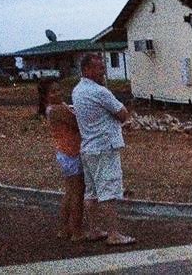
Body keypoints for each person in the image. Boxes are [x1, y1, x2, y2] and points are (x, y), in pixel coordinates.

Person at [72, 53, 135, 246]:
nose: (103, 71)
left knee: (91, 192)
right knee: (108, 190)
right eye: (99, 68)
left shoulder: (77, 91)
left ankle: (93, 229)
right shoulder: (100, 92)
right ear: (88, 70)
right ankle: (114, 234)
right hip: (104, 147)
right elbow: (123, 114)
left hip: (88, 147)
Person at [40, 80, 85, 242]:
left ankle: (64, 228)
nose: (57, 93)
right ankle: (76, 231)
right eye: (53, 92)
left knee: (69, 192)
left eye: (58, 90)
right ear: (45, 96)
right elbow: (77, 123)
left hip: (63, 152)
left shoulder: (51, 109)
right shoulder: (58, 110)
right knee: (77, 193)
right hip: (71, 152)